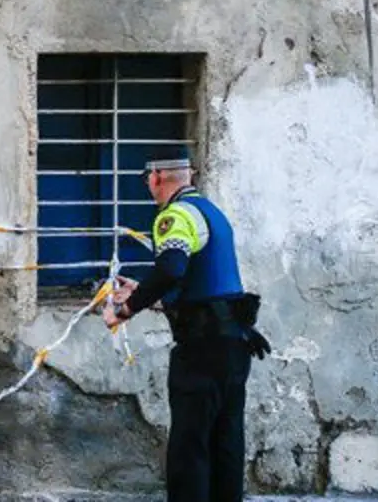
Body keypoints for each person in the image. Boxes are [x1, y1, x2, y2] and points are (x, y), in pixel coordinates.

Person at [102, 147, 270, 502]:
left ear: (157, 177)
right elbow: (204, 284)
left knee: (189, 448)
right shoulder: (211, 212)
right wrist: (146, 292)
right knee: (225, 443)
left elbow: (171, 268)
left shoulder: (175, 216)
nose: (148, 183)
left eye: (147, 177)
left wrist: (125, 309)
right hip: (233, 343)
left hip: (201, 350)